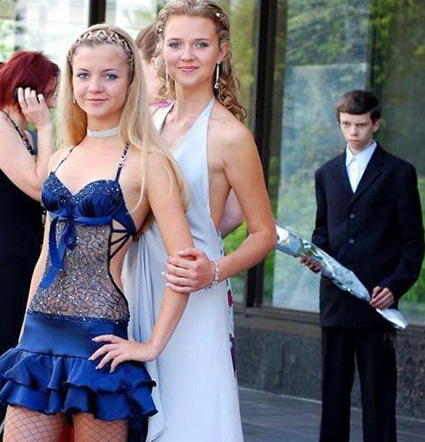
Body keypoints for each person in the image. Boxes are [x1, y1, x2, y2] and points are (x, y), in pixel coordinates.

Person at [0, 24, 195, 442]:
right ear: (71, 82)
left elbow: (185, 264)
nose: (95, 87)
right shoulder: (61, 156)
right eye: (83, 75)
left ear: (130, 81)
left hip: (100, 339)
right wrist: (22, 337)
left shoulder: (150, 163)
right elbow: (45, 256)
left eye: (110, 75)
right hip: (38, 335)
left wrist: (151, 345)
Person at [124, 1, 276, 441]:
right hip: (136, 283)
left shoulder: (231, 135)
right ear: (161, 51)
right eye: (176, 44)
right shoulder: (147, 121)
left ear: (221, 51)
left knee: (191, 419)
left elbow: (263, 232)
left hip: (193, 292)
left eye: (200, 45)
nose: (186, 55)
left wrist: (214, 271)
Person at [302, 90, 424, 442]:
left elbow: (413, 243)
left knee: (378, 395)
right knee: (333, 396)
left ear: (376, 124)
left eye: (360, 125)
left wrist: (395, 286)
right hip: (336, 302)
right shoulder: (326, 173)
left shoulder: (399, 173)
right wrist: (315, 255)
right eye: (346, 124)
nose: (353, 132)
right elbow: (323, 230)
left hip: (376, 301)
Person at [0, 50, 58, 435]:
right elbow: (42, 188)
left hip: (21, 254)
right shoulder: (1, 125)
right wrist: (47, 128)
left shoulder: (19, 131)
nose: (53, 102)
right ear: (29, 89)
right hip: (7, 258)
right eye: (50, 92)